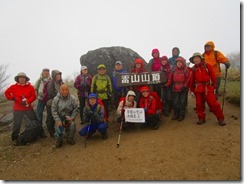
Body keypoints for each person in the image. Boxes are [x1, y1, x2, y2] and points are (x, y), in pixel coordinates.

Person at [189, 52, 226, 126]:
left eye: (197, 58)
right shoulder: (193, 69)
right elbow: (192, 80)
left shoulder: (207, 66)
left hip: (208, 88)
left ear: (200, 58)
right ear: (193, 60)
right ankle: (201, 118)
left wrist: (214, 87)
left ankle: (221, 118)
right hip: (198, 89)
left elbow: (213, 77)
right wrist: (192, 90)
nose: (196, 59)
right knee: (199, 104)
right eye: (194, 58)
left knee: (213, 103)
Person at [4, 72, 37, 145]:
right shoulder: (13, 87)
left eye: (23, 78)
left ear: (26, 79)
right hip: (17, 109)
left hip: (28, 108)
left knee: (34, 121)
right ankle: (15, 138)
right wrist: (13, 98)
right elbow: (6, 93)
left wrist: (27, 102)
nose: (22, 79)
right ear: (18, 79)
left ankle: (38, 133)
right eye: (20, 78)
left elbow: (34, 96)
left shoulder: (30, 87)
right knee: (17, 124)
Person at [51, 84, 78, 148]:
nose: (65, 91)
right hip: (60, 117)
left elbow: (76, 108)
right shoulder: (56, 99)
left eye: (66, 90)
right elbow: (53, 110)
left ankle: (70, 138)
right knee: (59, 127)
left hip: (68, 116)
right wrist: (57, 120)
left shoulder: (72, 98)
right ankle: (59, 140)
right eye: (63, 90)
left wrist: (72, 117)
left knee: (72, 124)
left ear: (68, 90)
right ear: (60, 91)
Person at [165, 57, 190, 121]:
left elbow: (188, 79)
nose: (179, 64)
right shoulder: (173, 70)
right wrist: (167, 85)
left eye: (180, 62)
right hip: (175, 88)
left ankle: (181, 115)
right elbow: (170, 79)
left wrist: (185, 86)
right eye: (177, 62)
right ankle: (176, 114)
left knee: (182, 102)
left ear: (183, 63)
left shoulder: (186, 70)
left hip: (183, 89)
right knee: (175, 102)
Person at [45, 70, 63, 137]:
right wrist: (60, 94)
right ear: (54, 76)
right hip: (51, 103)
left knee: (58, 116)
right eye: (57, 75)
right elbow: (50, 94)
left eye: (59, 75)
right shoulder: (51, 83)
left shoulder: (61, 83)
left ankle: (59, 130)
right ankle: (51, 132)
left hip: (58, 102)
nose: (58, 76)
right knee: (51, 118)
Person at [34, 68, 51, 137]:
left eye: (47, 72)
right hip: (40, 99)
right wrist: (36, 96)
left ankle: (48, 127)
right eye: (45, 72)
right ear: (42, 72)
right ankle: (40, 131)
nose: (46, 73)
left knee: (49, 114)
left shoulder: (50, 80)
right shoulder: (39, 80)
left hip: (48, 99)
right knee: (39, 114)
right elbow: (35, 88)